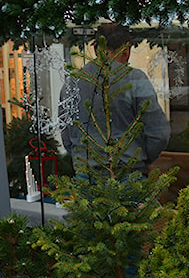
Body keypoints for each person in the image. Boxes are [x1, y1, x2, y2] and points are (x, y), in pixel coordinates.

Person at [60, 23, 170, 176]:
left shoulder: (73, 83)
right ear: (127, 49)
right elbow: (158, 132)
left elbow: (66, 133)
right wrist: (141, 159)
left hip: (87, 175)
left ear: (95, 49)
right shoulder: (134, 79)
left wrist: (83, 158)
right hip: (129, 173)